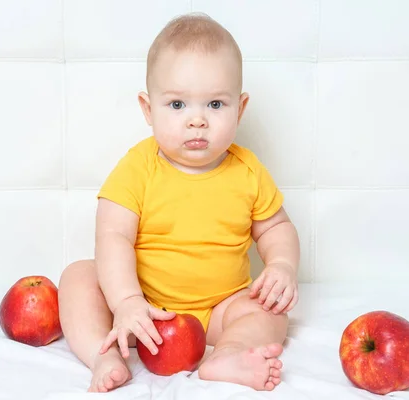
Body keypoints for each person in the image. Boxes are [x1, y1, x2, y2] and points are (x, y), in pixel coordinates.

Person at [58, 12, 301, 393]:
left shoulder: (248, 170)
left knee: (272, 312)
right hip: (143, 312)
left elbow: (276, 227)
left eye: (216, 105)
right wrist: (125, 302)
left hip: (221, 311)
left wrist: (283, 265)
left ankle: (229, 353)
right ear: (147, 108)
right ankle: (101, 355)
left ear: (240, 108)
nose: (197, 120)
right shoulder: (138, 168)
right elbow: (113, 236)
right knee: (78, 277)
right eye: (177, 105)